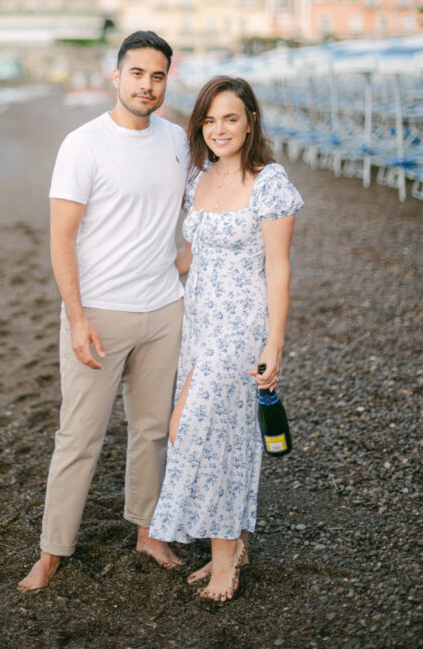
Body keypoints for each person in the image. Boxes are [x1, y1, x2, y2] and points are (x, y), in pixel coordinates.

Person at [18, 31, 189, 592]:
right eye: (137, 73)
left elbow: (189, 215)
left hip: (165, 309)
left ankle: (148, 531)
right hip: (101, 314)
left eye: (158, 75)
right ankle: (52, 552)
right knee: (80, 437)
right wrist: (77, 317)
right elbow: (61, 238)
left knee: (151, 431)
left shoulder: (178, 141)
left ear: (167, 80)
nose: (147, 84)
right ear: (115, 77)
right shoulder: (83, 144)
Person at [148, 75, 303, 602]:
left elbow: (279, 268)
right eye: (210, 120)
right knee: (218, 435)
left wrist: (274, 345)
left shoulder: (270, 182)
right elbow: (191, 255)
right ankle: (229, 547)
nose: (219, 129)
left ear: (251, 120)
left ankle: (223, 564)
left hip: (242, 326)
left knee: (193, 429)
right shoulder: (200, 179)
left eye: (230, 118)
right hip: (199, 322)